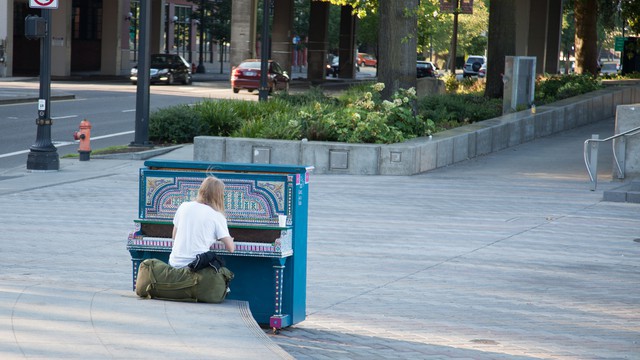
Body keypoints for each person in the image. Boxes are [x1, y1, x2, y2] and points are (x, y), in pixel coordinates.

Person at [169, 176, 235, 269]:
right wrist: (230, 240)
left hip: (174, 264)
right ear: (219, 196)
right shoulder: (217, 215)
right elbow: (231, 248)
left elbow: (174, 237)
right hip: (195, 266)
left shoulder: (184, 206)